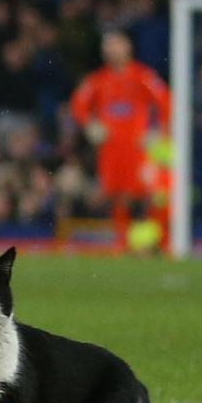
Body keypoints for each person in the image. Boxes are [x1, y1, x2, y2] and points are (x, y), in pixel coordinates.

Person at [68, 29, 170, 254]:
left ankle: (157, 242)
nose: (112, 49)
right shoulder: (98, 80)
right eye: (109, 44)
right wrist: (89, 125)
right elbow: (78, 105)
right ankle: (123, 243)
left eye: (117, 44)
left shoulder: (142, 75)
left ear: (128, 47)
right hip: (111, 149)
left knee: (151, 194)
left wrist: (157, 131)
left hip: (139, 148)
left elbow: (165, 101)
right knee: (118, 197)